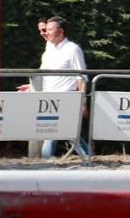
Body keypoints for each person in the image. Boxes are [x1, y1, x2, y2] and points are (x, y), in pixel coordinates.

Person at [17, 15, 89, 158]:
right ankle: (88, 158)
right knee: (66, 133)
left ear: (61, 32)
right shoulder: (50, 50)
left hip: (66, 97)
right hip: (50, 98)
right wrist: (31, 87)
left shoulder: (73, 49)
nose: (46, 33)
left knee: (52, 133)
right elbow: (46, 76)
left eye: (49, 29)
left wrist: (82, 102)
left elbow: (81, 77)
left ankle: (45, 162)